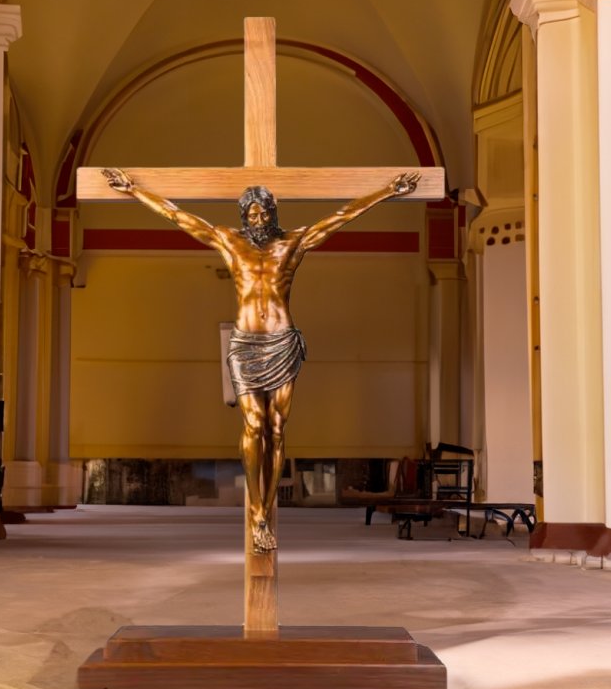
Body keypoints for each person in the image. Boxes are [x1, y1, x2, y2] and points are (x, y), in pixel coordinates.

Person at [101, 168, 420, 552]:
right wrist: (135, 190)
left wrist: (387, 192)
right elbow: (178, 216)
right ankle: (258, 515)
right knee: (254, 424)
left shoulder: (293, 243)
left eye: (263, 211)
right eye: (250, 213)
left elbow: (341, 216)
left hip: (282, 342)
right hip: (245, 344)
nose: (257, 219)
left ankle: (267, 506)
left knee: (278, 429)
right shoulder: (229, 242)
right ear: (243, 216)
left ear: (273, 212)